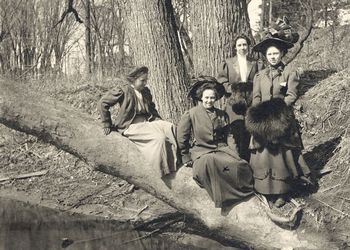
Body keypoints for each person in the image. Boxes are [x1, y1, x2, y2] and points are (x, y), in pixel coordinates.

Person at [245, 19, 313, 208]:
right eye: (269, 54)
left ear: (282, 53)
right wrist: (259, 116)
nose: (273, 57)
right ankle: (265, 189)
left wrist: (277, 111)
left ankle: (282, 191)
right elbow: (256, 98)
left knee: (281, 155)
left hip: (281, 118)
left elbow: (292, 95)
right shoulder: (259, 76)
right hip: (263, 120)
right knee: (263, 154)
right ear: (265, 57)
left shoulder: (290, 72)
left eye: (276, 53)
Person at [177, 76, 253, 212]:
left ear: (216, 98)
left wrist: (235, 154)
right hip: (202, 151)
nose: (209, 101)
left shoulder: (222, 115)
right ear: (201, 97)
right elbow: (182, 136)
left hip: (220, 149)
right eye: (206, 98)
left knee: (239, 166)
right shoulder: (191, 114)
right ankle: (223, 200)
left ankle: (239, 195)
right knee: (211, 163)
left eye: (212, 98)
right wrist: (185, 155)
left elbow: (229, 136)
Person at [98, 66, 179, 178]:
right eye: (142, 80)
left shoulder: (145, 91)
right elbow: (103, 103)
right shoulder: (123, 90)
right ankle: (157, 172)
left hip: (147, 123)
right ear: (134, 79)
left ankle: (177, 162)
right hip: (131, 126)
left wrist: (158, 121)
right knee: (159, 138)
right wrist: (106, 123)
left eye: (146, 80)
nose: (145, 83)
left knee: (170, 127)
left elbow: (152, 109)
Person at [217, 34, 261, 161]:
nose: (242, 47)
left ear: (248, 46)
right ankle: (237, 160)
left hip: (251, 100)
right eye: (239, 45)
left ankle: (251, 161)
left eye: (244, 45)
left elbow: (259, 79)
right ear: (235, 48)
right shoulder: (228, 63)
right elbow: (222, 82)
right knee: (235, 131)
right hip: (234, 102)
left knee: (250, 129)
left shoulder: (255, 63)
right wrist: (235, 91)